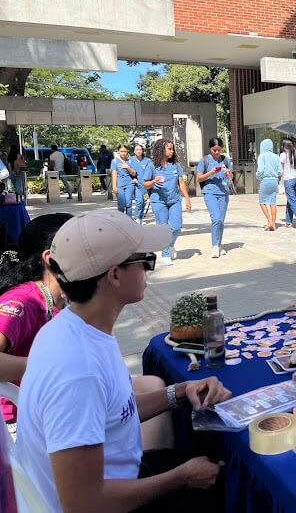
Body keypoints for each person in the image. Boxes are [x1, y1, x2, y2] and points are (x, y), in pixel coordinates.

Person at [15, 210, 231, 513]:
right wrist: (181, 477)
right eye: (145, 261)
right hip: (104, 499)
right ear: (115, 275)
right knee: (225, 479)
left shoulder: (78, 327)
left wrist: (179, 392)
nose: (148, 270)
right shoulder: (78, 368)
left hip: (117, 478)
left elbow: (115, 413)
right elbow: (85, 503)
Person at [0, 214, 72, 422]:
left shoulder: (64, 297)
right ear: (50, 259)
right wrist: (47, 365)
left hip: (46, 406)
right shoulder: (23, 301)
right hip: (15, 420)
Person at [144, 139, 191, 267]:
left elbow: (181, 183)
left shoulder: (176, 165)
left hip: (174, 200)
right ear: (161, 150)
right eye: (169, 149)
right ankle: (165, 254)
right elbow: (145, 183)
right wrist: (154, 181)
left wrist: (187, 198)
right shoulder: (152, 165)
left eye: (172, 149)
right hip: (158, 201)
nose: (172, 151)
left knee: (176, 226)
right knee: (163, 227)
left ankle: (170, 245)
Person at [196, 138, 233, 258]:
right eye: (214, 150)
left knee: (221, 220)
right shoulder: (205, 160)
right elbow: (199, 178)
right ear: (210, 149)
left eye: (218, 150)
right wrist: (211, 173)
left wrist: (228, 174)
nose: (216, 153)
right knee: (216, 218)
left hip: (223, 192)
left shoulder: (225, 160)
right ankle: (215, 246)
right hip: (210, 192)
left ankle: (219, 244)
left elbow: (229, 179)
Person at [255, 138, 282, 231]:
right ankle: (273, 223)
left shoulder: (262, 156)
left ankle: (270, 221)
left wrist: (258, 176)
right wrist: (277, 179)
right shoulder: (276, 157)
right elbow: (280, 171)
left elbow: (260, 170)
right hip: (274, 181)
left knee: (262, 202)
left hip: (265, 180)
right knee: (273, 203)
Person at [129, 144, 153, 225]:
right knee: (139, 201)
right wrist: (133, 179)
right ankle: (136, 218)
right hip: (137, 186)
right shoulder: (130, 160)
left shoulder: (147, 161)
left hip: (145, 186)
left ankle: (141, 218)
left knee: (144, 201)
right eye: (137, 149)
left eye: (140, 149)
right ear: (134, 151)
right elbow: (127, 172)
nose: (139, 151)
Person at [112, 145, 137, 217]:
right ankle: (121, 220)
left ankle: (129, 220)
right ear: (118, 152)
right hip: (119, 184)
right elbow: (114, 174)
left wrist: (127, 167)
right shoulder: (115, 161)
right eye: (121, 151)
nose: (123, 153)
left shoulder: (130, 161)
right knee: (121, 204)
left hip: (129, 183)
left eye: (125, 151)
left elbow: (134, 173)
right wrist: (114, 187)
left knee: (128, 204)